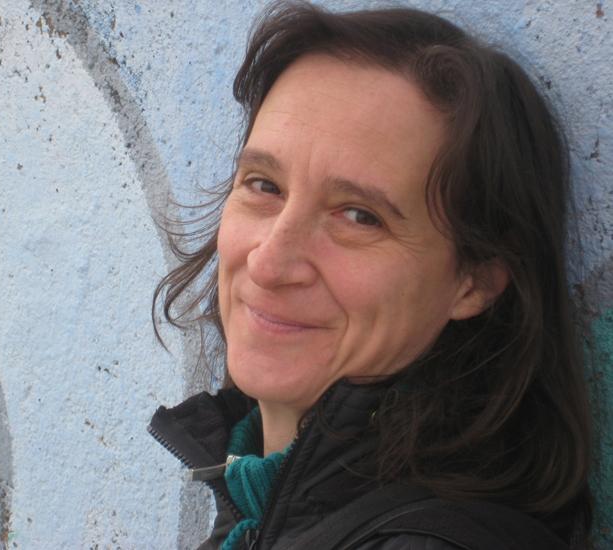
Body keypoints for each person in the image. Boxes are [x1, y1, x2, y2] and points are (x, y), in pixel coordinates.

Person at [149, 3, 593, 549]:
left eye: (360, 216)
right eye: (264, 185)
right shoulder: (256, 504)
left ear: (475, 280)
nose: (268, 263)